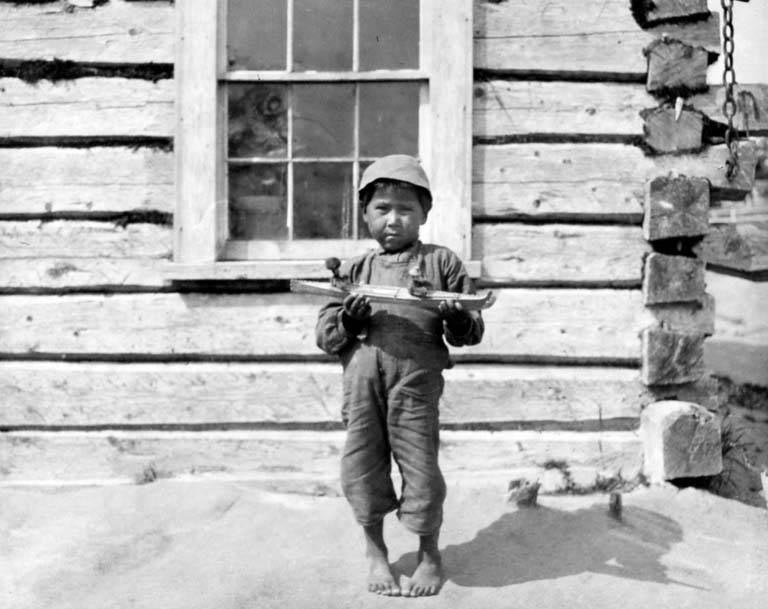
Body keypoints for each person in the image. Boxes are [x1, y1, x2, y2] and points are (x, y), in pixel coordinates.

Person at [315, 155, 484, 597]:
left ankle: (430, 555)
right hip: (362, 386)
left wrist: (455, 318)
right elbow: (326, 336)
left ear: (425, 214)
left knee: (422, 470)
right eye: (382, 209)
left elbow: (471, 332)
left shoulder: (442, 264)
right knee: (362, 467)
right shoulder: (353, 271)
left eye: (406, 209)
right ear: (366, 214)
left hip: (415, 386)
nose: (394, 220)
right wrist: (349, 323)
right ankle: (376, 553)